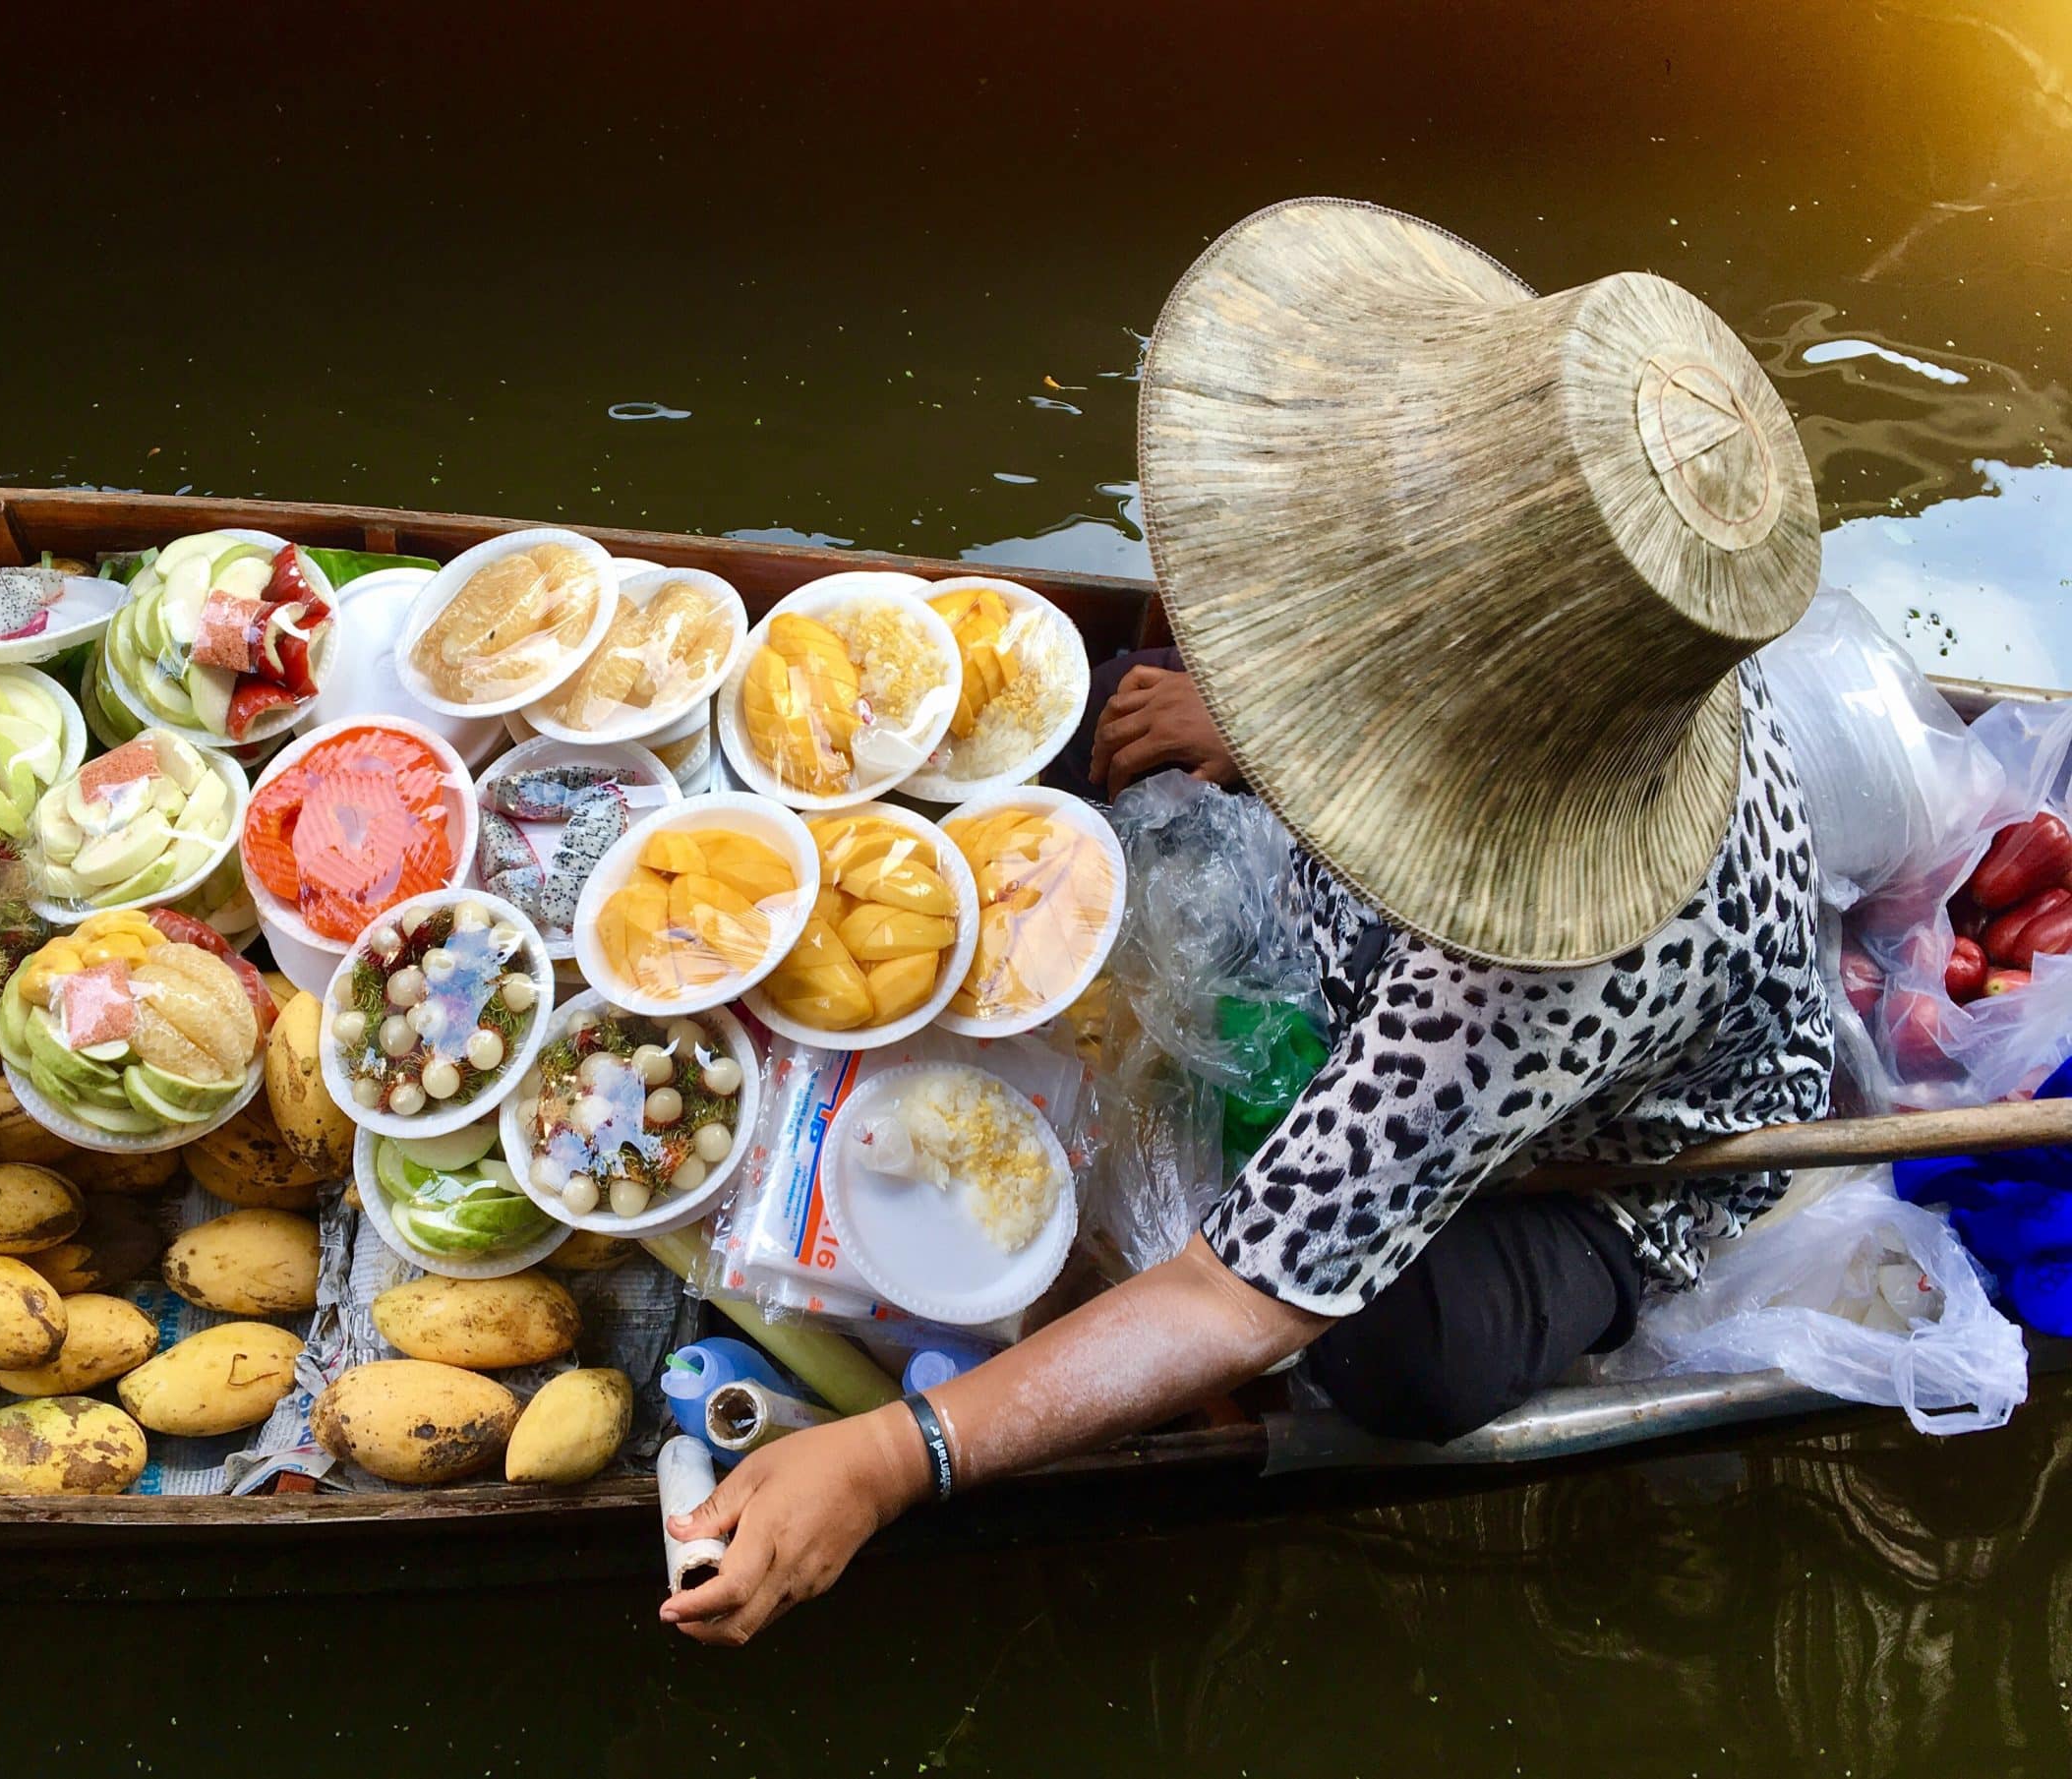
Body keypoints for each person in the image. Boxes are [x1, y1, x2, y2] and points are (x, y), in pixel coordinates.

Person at [663, 199, 1834, 1645]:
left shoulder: (1515, 969)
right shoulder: (1563, 565)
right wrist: (1241, 720)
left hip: (1609, 1155)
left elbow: (1240, 1296)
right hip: (1368, 922)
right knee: (1109, 709)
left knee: (1399, 1356)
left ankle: (1591, 1266)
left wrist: (895, 1458)